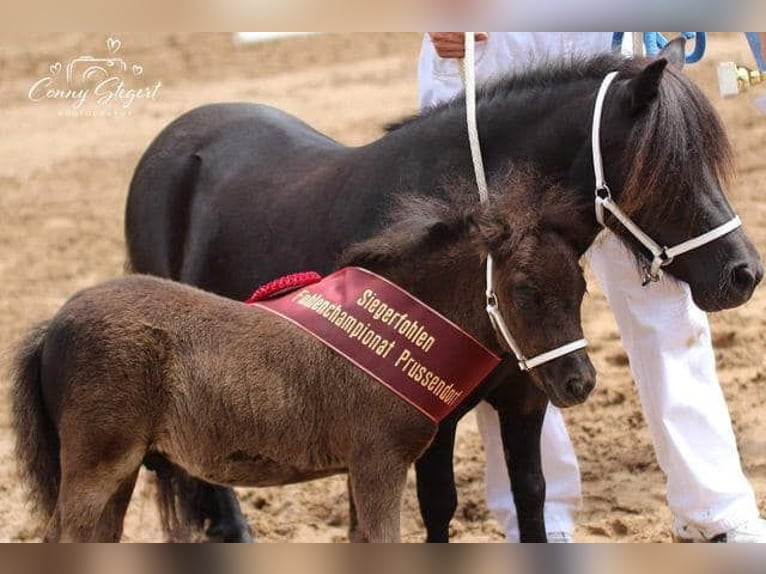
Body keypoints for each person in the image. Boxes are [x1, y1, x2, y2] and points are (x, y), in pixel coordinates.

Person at [419, 32, 766, 543]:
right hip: (495, 42)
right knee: (513, 312)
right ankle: (539, 523)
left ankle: (713, 509)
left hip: (607, 30)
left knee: (663, 301)